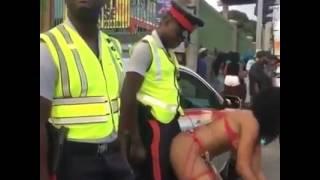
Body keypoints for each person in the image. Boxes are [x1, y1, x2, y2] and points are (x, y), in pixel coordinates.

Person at [40, 0, 133, 180]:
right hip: (73, 160)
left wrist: (122, 152)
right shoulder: (48, 47)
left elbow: (118, 104)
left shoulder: (112, 46)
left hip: (114, 157)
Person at [118, 0, 204, 179]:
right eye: (180, 33)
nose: (182, 39)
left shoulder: (168, 53)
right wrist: (135, 141)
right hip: (152, 128)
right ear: (166, 22)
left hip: (168, 126)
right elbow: (127, 95)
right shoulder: (145, 49)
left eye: (186, 36)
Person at [170, 87, 280, 180]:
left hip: (195, 151)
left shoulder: (255, 132)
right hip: (188, 148)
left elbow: (257, 171)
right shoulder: (250, 121)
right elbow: (242, 167)